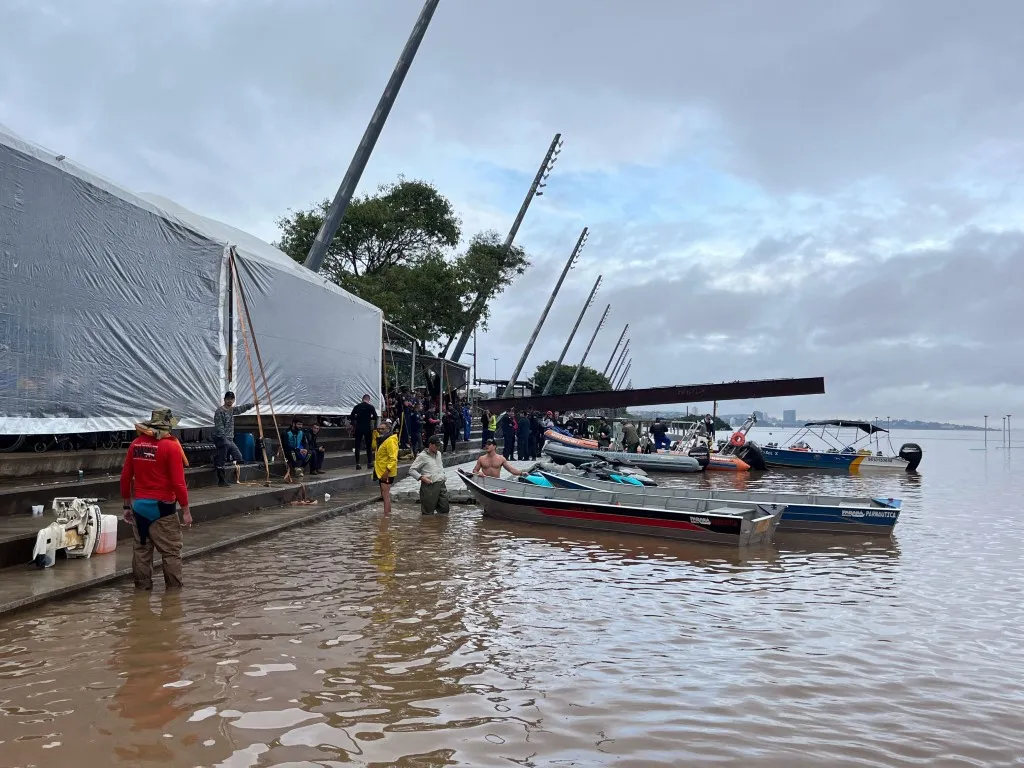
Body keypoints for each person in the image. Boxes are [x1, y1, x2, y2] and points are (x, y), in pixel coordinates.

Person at [120, 408, 191, 591]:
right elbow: (178, 483)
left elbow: (125, 477)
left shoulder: (136, 444)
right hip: (164, 509)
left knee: (142, 552)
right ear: (167, 426)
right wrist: (186, 510)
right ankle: (174, 596)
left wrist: (127, 506)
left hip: (140, 507)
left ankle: (141, 592)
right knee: (171, 553)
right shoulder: (171, 446)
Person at [212, 391, 253, 487]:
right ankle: (221, 480)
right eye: (228, 399)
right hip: (221, 439)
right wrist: (224, 439)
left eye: (231, 399)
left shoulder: (232, 410)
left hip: (230, 440)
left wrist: (253, 404)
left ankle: (218, 459)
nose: (230, 401)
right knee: (223, 455)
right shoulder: (219, 411)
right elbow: (219, 428)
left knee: (239, 457)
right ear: (224, 399)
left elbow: (241, 409)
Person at [408, 435, 450, 515]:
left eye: (439, 445)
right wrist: (422, 478)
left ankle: (441, 526)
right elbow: (412, 470)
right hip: (429, 486)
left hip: (441, 484)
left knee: (444, 510)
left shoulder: (439, 454)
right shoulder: (422, 456)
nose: (438, 447)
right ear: (430, 445)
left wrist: (443, 475)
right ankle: (427, 526)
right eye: (436, 445)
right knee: (428, 512)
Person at [374, 420, 399, 516]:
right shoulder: (382, 439)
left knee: (386, 495)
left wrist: (387, 471)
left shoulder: (391, 441)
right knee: (384, 494)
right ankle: (387, 513)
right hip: (381, 470)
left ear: (388, 429)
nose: (380, 430)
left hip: (386, 472)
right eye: (379, 428)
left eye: (382, 429)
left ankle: (386, 516)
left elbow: (393, 458)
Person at [350, 394, 378, 470]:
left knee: (357, 446)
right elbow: (375, 417)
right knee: (368, 446)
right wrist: (370, 418)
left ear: (362, 399)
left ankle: (358, 464)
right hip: (367, 428)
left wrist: (356, 419)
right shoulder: (371, 407)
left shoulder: (357, 407)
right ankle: (369, 463)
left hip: (358, 428)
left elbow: (351, 416)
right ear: (368, 400)